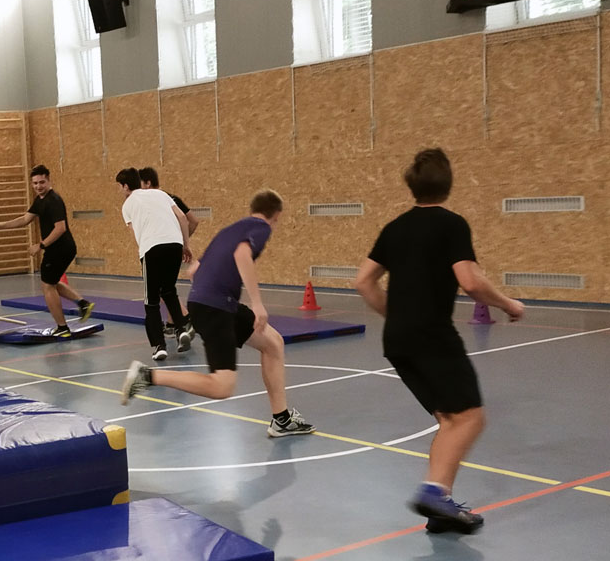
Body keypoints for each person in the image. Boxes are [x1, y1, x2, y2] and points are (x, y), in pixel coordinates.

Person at [354, 147, 523, 535]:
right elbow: (470, 281)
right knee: (471, 418)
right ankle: (434, 492)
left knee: (449, 420)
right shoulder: (452, 225)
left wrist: (396, 317)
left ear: (411, 186)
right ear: (449, 184)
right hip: (433, 336)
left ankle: (439, 509)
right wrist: (508, 303)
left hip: (397, 341)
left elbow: (363, 281)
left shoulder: (395, 227)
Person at [120, 189, 314, 438]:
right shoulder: (261, 228)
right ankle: (148, 376)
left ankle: (282, 419)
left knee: (273, 343)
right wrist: (257, 303)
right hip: (216, 307)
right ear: (276, 215)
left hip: (216, 303)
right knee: (222, 386)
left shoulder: (231, 230)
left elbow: (194, 270)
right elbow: (242, 255)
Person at [0, 165, 95, 339]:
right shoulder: (40, 200)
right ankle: (83, 303)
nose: (38, 186)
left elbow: (60, 228)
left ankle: (62, 328)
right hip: (59, 248)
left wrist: (41, 245)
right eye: (35, 183)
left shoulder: (54, 200)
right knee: (51, 281)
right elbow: (24, 219)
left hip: (60, 248)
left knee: (47, 286)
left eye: (42, 182)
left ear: (49, 180)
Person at [115, 168, 196, 362]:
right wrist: (185, 245)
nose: (119, 190)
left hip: (151, 248)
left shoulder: (128, 204)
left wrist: (145, 251)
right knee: (169, 291)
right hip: (174, 244)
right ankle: (181, 330)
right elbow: (182, 218)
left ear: (125, 186)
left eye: (119, 186)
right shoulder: (161, 194)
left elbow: (135, 233)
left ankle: (159, 346)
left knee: (151, 300)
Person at [138, 166, 199, 239]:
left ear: (148, 183)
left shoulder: (152, 202)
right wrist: (182, 240)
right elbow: (194, 221)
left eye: (139, 184)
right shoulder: (172, 198)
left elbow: (192, 220)